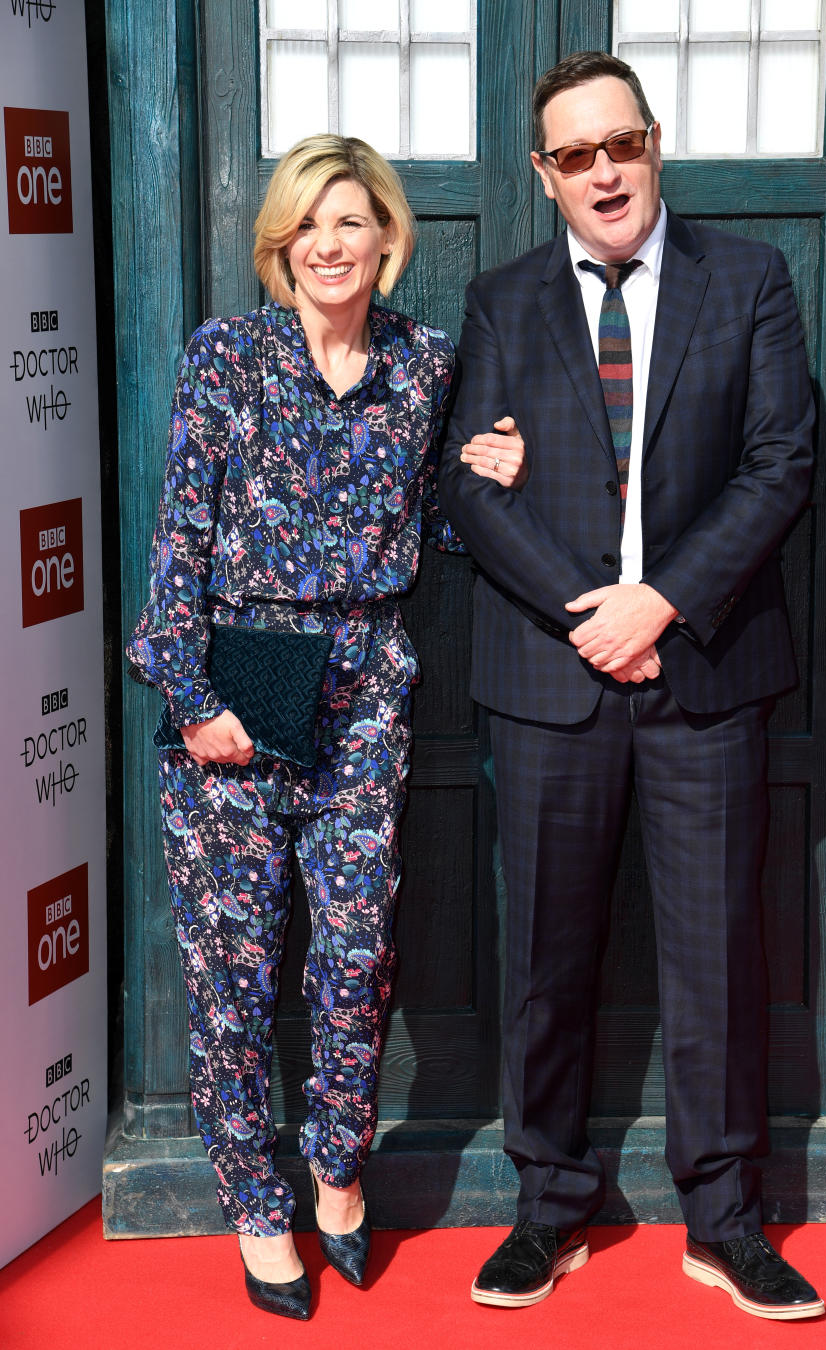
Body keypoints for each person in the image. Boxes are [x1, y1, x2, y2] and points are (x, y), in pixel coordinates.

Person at [439, 51, 824, 1322]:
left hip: (707, 669)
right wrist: (589, 614)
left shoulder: (750, 281)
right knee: (547, 961)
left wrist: (664, 601)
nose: (604, 170)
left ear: (655, 145)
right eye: (576, 154)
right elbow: (470, 488)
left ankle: (727, 1222)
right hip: (553, 680)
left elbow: (779, 465)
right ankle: (546, 1209)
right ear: (543, 174)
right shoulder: (498, 303)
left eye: (623, 144)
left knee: (719, 959)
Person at [125, 133, 525, 1320]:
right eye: (307, 226)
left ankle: (338, 1174)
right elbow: (177, 546)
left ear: (388, 239)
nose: (329, 244)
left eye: (350, 222)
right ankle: (259, 1205)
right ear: (279, 245)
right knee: (234, 979)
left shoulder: (427, 366)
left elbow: (439, 530)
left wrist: (494, 474)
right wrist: (196, 705)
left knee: (355, 962)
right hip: (238, 686)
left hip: (366, 691)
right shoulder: (226, 358)